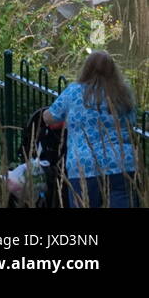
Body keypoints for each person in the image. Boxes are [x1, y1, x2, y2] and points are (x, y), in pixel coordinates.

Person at [43, 50, 139, 208]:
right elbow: (132, 121)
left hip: (84, 165)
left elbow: (50, 117)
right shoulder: (123, 93)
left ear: (86, 68)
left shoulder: (74, 91)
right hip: (122, 163)